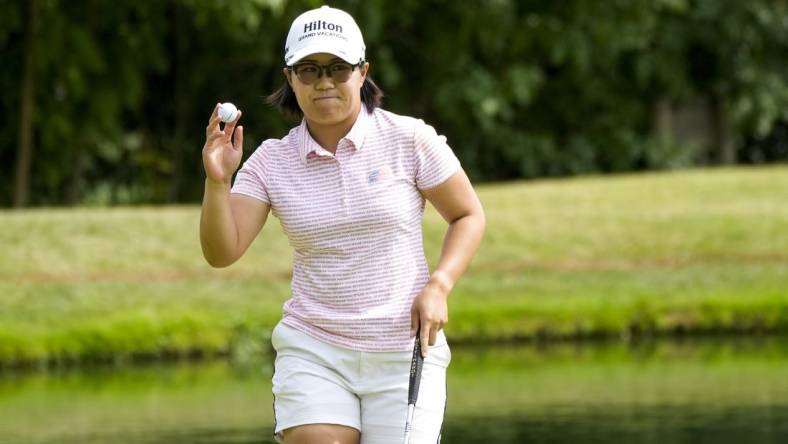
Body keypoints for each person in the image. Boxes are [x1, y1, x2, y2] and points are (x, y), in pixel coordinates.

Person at [200, 5, 485, 444]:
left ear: (363, 71)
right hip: (315, 347)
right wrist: (218, 181)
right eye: (309, 70)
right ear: (290, 78)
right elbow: (222, 252)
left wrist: (440, 285)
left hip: (402, 347)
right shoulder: (272, 162)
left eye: (338, 68)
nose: (325, 82)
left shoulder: (409, 139)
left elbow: (467, 215)